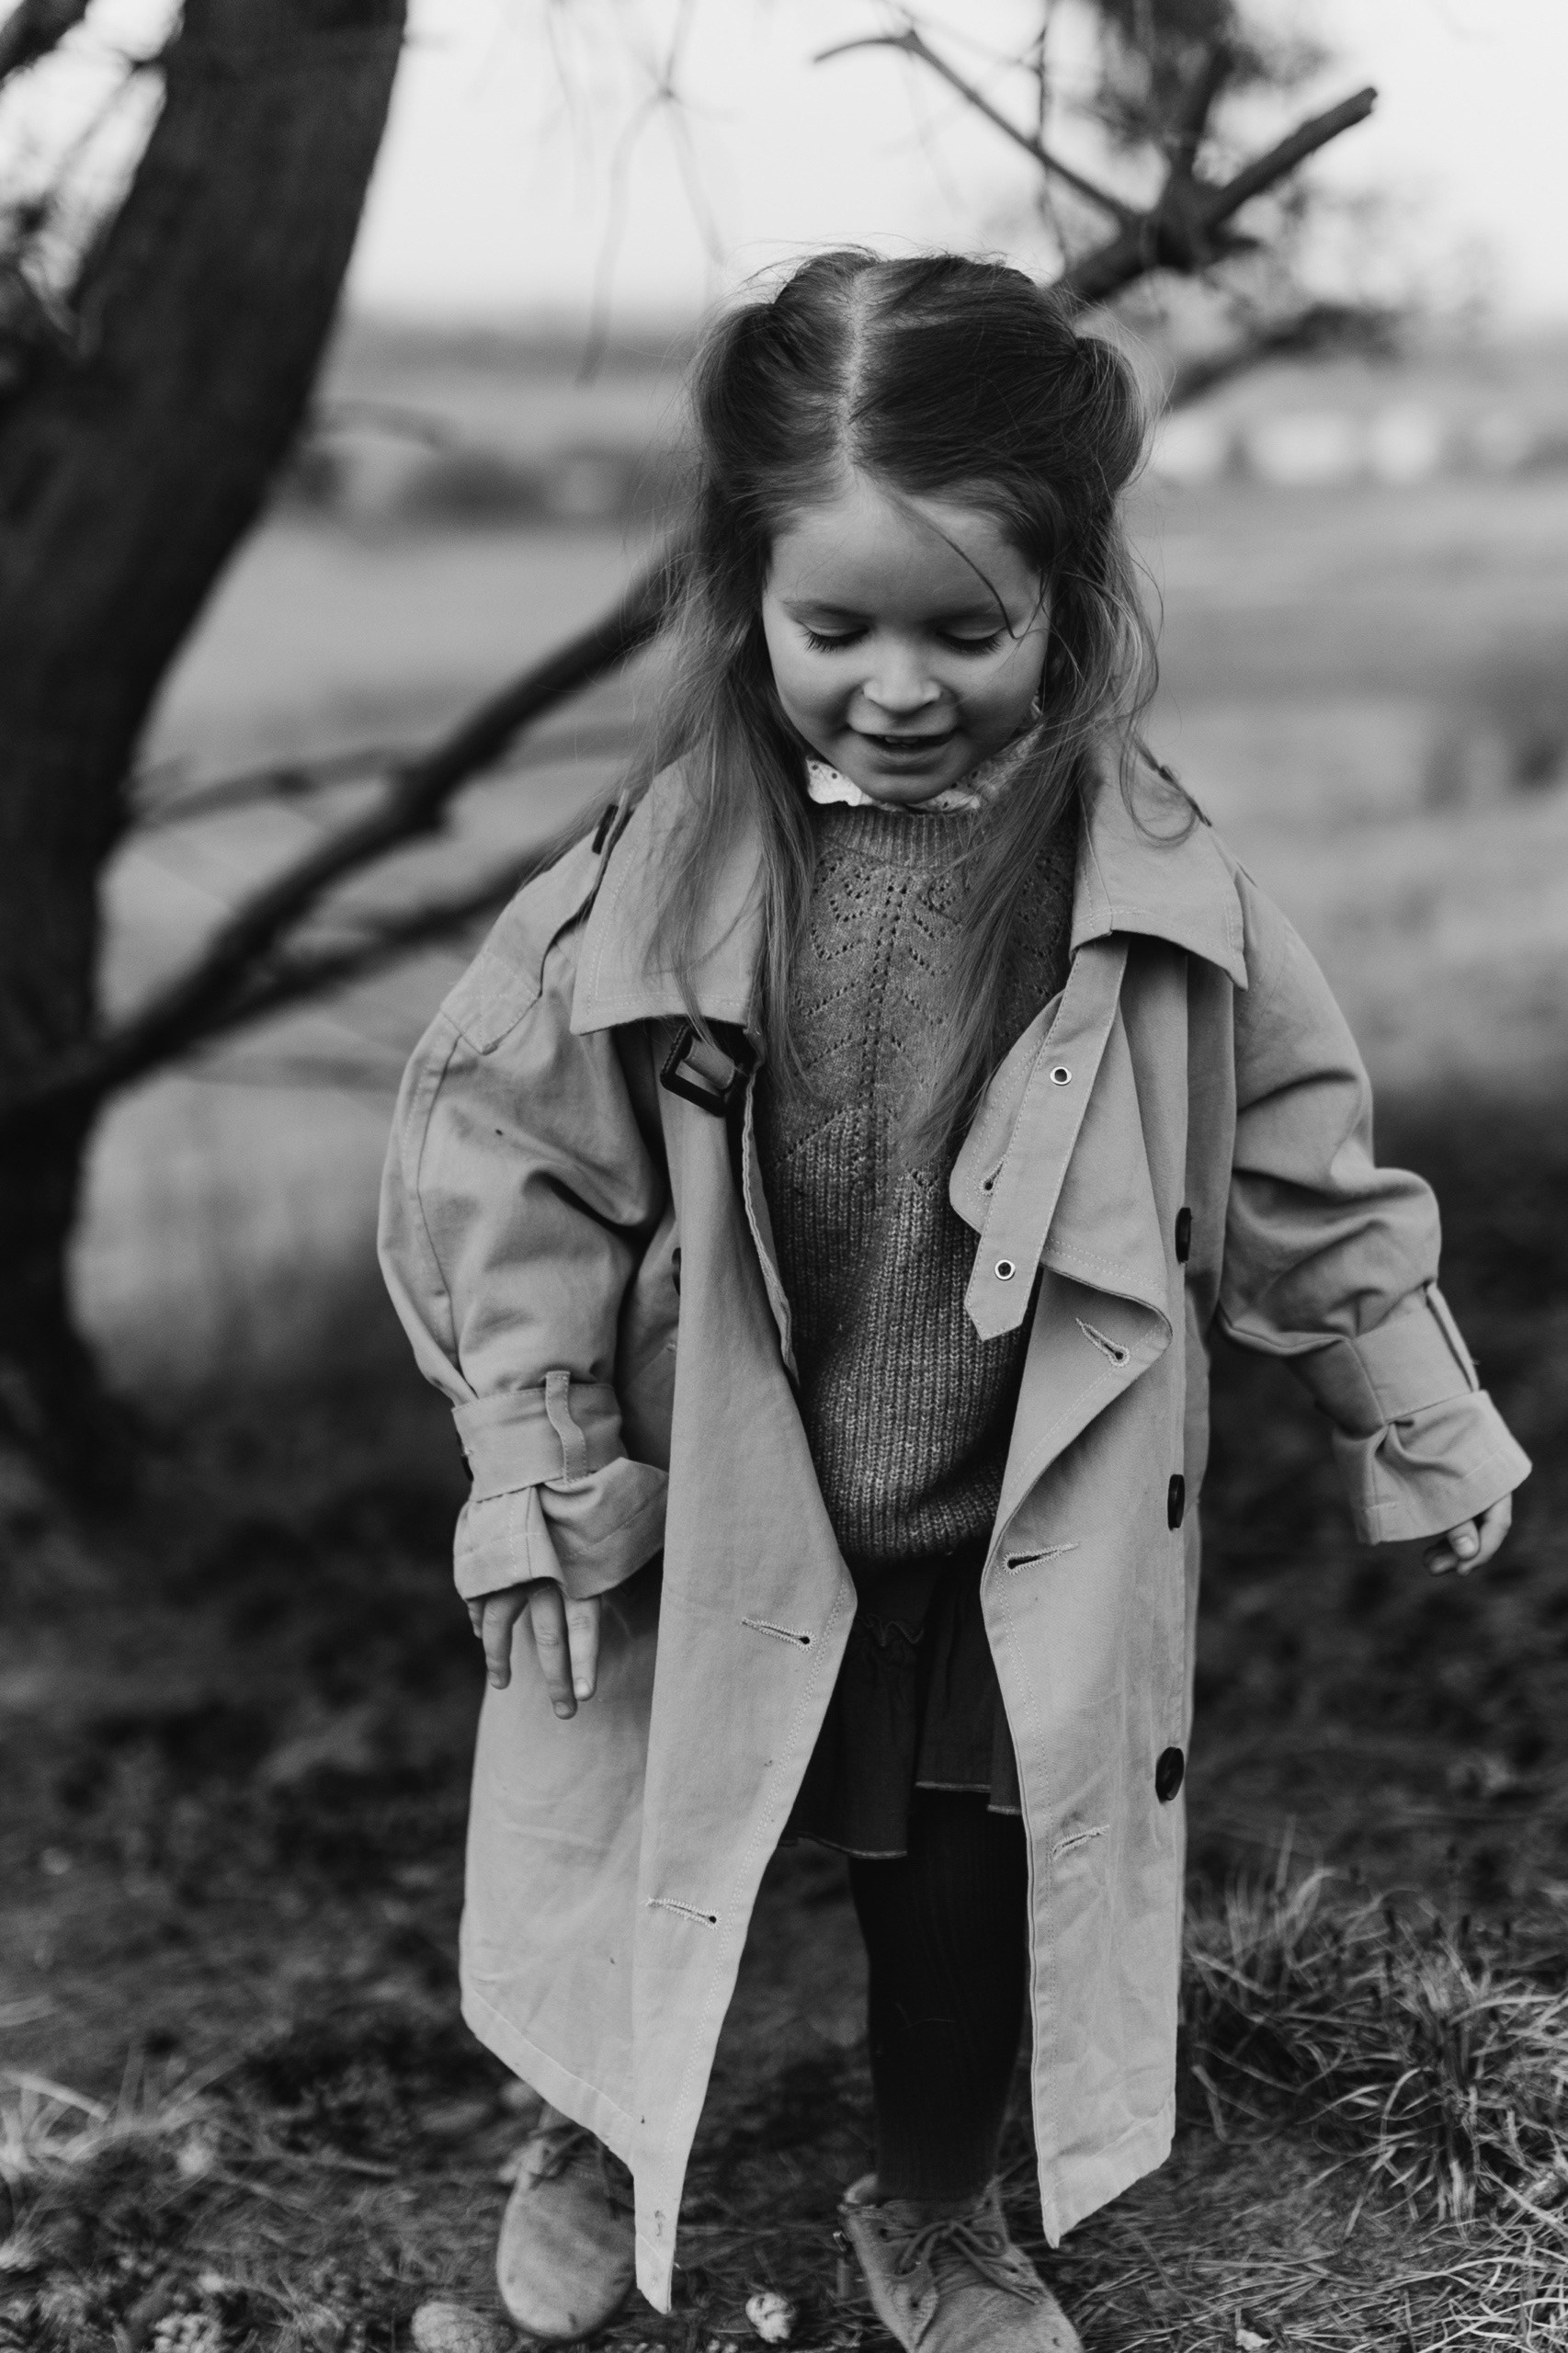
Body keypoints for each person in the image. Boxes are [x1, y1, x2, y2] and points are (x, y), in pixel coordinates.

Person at [377, 251, 1528, 2353]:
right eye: (836, 629)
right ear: (744, 600)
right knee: (642, 1839)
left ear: (1065, 608)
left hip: (1002, 1523)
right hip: (710, 1501)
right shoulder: (653, 880)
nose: (897, 685)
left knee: (969, 1910)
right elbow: (511, 1173)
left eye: (962, 630)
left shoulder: (1157, 890)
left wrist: (1411, 1401)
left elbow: (1296, 1161)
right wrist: (538, 1457)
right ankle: (593, 2126)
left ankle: (932, 2201)